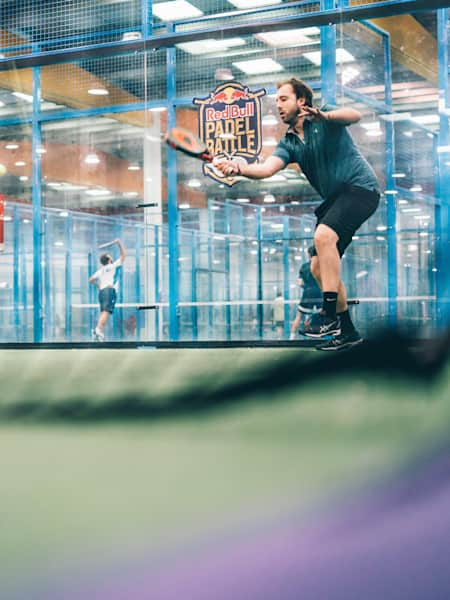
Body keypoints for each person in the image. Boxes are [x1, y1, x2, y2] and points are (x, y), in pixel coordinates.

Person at [215, 77, 380, 350]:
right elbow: (267, 169)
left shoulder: (325, 118)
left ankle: (328, 316)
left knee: (324, 236)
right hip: (336, 199)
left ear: (301, 101)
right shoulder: (289, 143)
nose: (278, 106)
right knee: (318, 266)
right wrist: (238, 167)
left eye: (283, 99)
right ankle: (348, 331)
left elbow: (355, 115)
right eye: (276, 101)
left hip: (360, 188)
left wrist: (325, 115)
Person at [88, 239, 126, 341]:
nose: (112, 257)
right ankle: (98, 330)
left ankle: (98, 332)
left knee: (104, 312)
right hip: (109, 291)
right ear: (109, 259)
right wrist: (119, 243)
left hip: (102, 292)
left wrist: (98, 286)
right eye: (110, 256)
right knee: (106, 312)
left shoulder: (101, 270)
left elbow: (90, 279)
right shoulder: (114, 266)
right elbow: (124, 255)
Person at [290, 246, 321, 340]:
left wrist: (306, 286)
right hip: (320, 293)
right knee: (325, 316)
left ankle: (292, 337)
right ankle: (326, 337)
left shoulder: (304, 266)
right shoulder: (321, 266)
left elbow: (300, 283)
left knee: (299, 316)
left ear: (308, 254)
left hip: (307, 293)